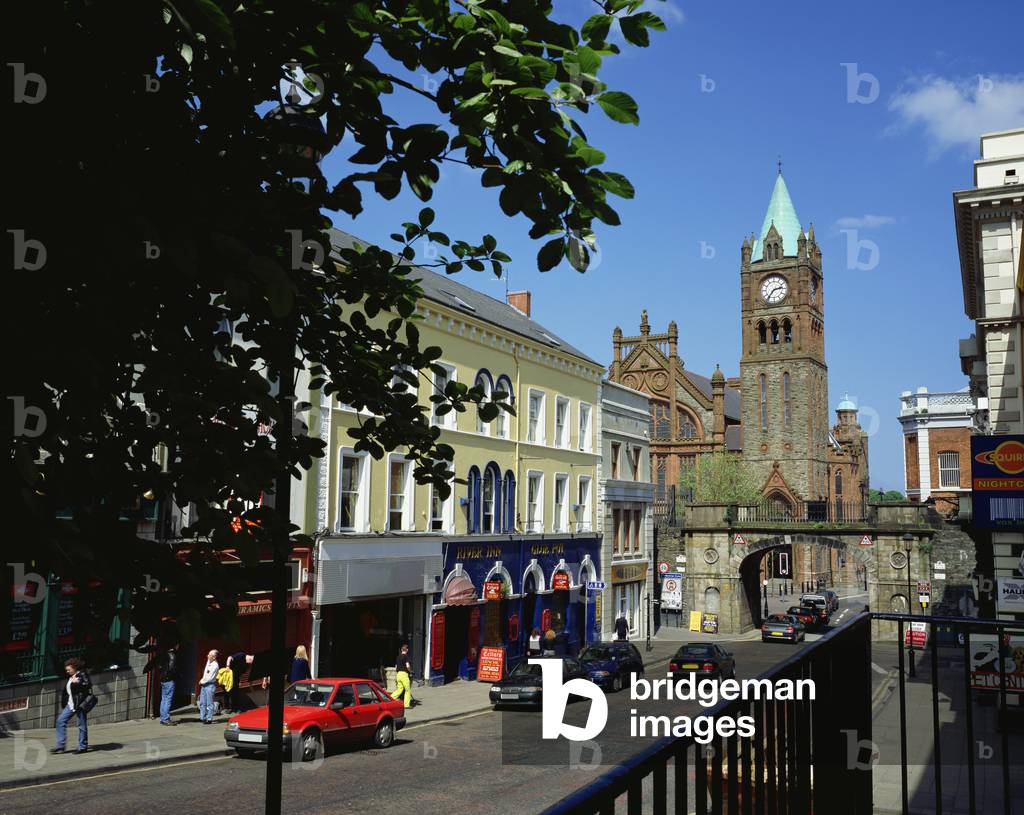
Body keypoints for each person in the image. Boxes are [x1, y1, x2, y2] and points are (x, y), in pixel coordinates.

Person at [53, 658, 91, 754]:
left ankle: (83, 747)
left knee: (81, 725)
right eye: (66, 670)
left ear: (74, 667)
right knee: (60, 721)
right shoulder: (71, 677)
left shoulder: (82, 674)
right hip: (71, 704)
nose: (67, 671)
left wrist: (77, 683)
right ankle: (60, 746)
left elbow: (88, 684)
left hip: (79, 704)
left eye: (69, 669)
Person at [158, 643, 181, 726]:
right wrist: (175, 676)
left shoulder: (164, 654)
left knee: (163, 699)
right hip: (169, 679)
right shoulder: (172, 655)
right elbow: (172, 668)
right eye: (178, 645)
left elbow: (160, 666)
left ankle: (162, 718)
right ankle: (166, 719)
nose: (179, 647)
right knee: (168, 699)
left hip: (163, 679)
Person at [197, 649, 219, 724]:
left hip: (210, 685)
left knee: (210, 703)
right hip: (204, 685)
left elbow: (209, 677)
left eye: (209, 655)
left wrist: (201, 681)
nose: (207, 656)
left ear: (214, 657)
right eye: (208, 654)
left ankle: (209, 719)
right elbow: (205, 673)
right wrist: (202, 680)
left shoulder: (215, 665)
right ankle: (202, 717)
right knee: (202, 702)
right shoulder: (209, 661)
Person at [391, 643, 414, 708]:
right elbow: (407, 666)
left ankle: (389, 699)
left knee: (399, 690)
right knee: (407, 690)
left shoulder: (398, 657)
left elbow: (396, 667)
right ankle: (406, 705)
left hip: (398, 674)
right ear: (407, 650)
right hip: (404, 674)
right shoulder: (406, 656)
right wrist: (410, 671)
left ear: (401, 650)